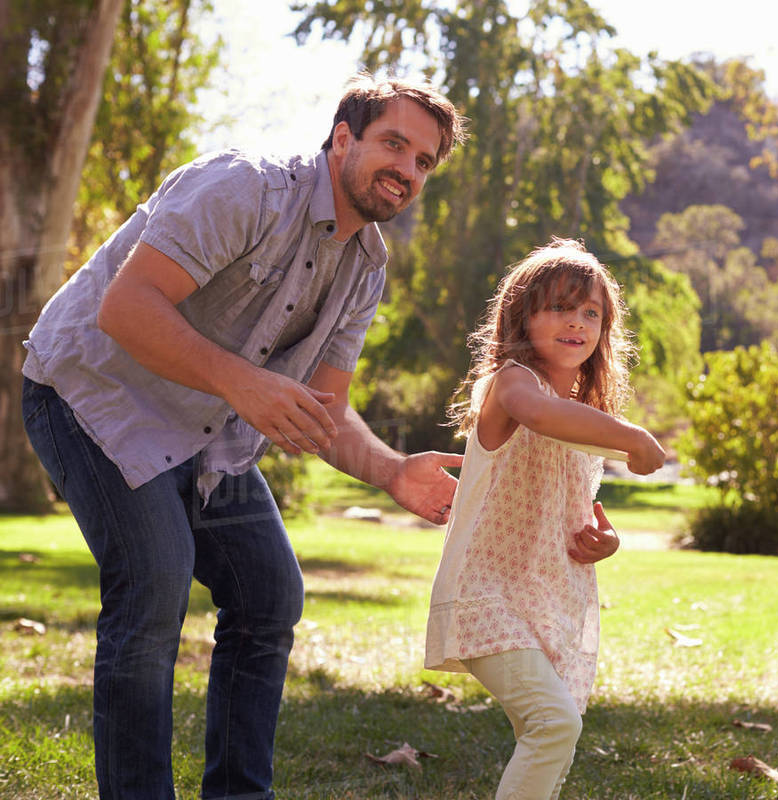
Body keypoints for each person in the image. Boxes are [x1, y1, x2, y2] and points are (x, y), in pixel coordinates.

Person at [20, 75, 467, 800]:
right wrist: (242, 383)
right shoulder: (244, 188)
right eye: (395, 143)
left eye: (424, 161)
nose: (408, 170)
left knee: (269, 596)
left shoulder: (366, 267)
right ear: (344, 137)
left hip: (204, 431)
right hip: (91, 395)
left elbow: (326, 408)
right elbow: (125, 308)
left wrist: (389, 470)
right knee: (155, 586)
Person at [424, 238, 666, 800]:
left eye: (591, 313)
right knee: (554, 724)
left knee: (549, 733)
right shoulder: (512, 383)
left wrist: (603, 541)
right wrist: (632, 437)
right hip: (486, 594)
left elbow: (568, 500)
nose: (577, 322)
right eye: (559, 307)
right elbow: (540, 415)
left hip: (543, 594)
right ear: (522, 316)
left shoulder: (582, 412)